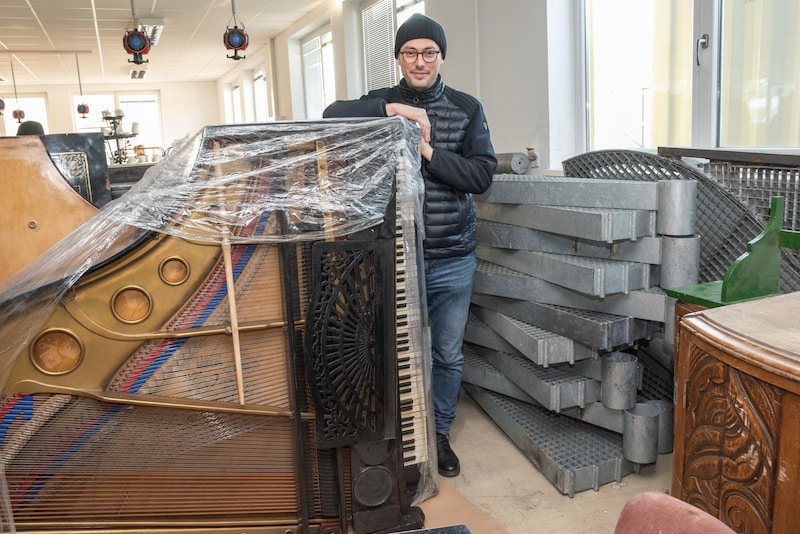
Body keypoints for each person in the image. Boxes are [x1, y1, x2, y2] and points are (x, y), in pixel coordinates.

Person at [323, 13, 497, 477]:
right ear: (399, 58)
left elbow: (481, 176)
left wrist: (428, 152)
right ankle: (400, 434)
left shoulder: (466, 108)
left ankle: (437, 433)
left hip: (452, 257)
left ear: (441, 56)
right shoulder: (381, 102)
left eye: (429, 52)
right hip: (395, 257)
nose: (420, 61)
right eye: (410, 52)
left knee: (446, 354)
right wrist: (393, 113)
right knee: (390, 348)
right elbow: (330, 115)